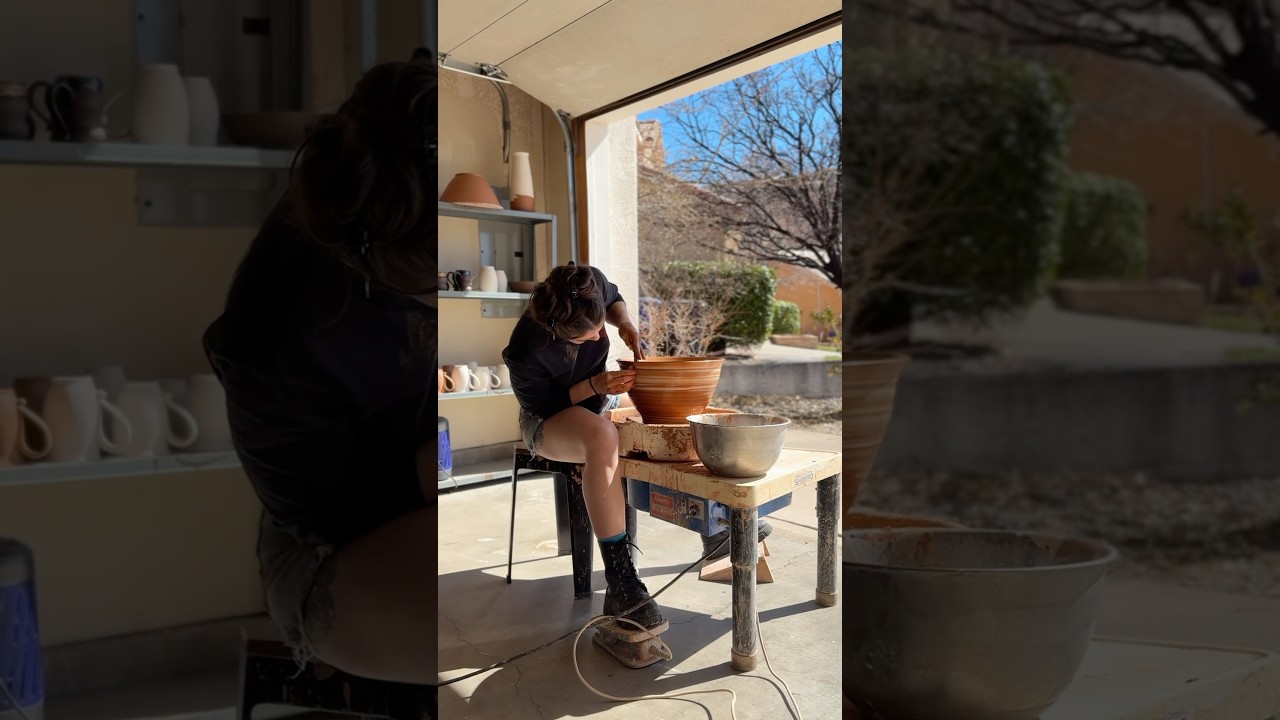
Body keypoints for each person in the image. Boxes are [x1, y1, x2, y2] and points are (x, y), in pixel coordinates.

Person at [202, 49, 436, 685]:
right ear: (381, 271)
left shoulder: (422, 165)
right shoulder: (271, 335)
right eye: (441, 284)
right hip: (334, 542)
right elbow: (324, 512)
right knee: (475, 617)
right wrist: (438, 464)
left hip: (437, 484)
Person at [501, 265, 771, 629]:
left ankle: (717, 533)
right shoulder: (524, 351)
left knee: (675, 423)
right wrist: (594, 386)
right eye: (589, 336)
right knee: (603, 437)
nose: (600, 337)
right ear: (557, 335)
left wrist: (624, 322)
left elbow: (612, 299)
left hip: (599, 400)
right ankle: (620, 580)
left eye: (600, 327)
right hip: (548, 418)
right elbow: (545, 406)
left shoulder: (587, 283)